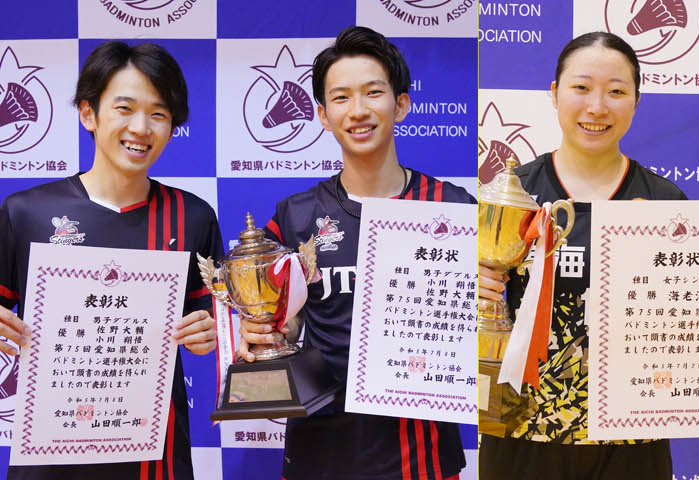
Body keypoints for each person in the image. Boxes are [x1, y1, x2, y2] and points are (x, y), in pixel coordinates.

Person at [242, 26, 473, 480]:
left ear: (401, 105)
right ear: (323, 116)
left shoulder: (452, 208)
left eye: (373, 93)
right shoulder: (295, 217)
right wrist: (268, 330)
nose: (359, 110)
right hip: (320, 447)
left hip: (419, 454)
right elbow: (285, 320)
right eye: (341, 98)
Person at [0, 40, 219, 480]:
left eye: (158, 114)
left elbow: (220, 320)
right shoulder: (26, 212)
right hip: (49, 455)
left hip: (154, 458)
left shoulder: (193, 216)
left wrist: (211, 332)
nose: (141, 127)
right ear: (89, 114)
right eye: (124, 108)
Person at [473, 31, 687, 479]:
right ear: (555, 94)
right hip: (521, 432)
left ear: (637, 100)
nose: (597, 107)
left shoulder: (666, 203)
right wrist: (472, 288)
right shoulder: (509, 197)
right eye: (581, 87)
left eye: (616, 92)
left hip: (632, 438)